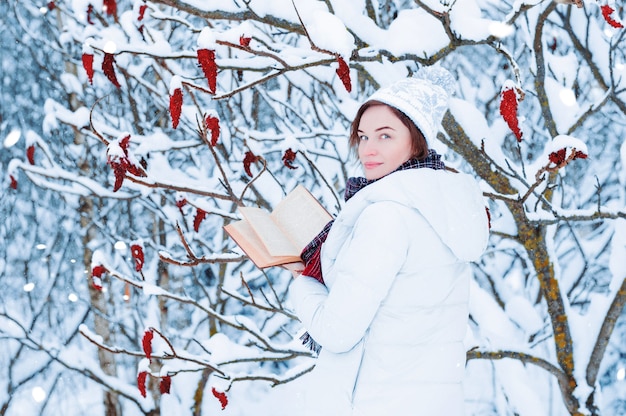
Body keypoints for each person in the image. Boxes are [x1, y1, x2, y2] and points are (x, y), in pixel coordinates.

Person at [285, 66, 490, 415]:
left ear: (416, 139)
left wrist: (300, 280)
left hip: (375, 402)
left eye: (385, 135)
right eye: (363, 136)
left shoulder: (387, 216)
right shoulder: (440, 208)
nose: (368, 149)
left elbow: (336, 331)